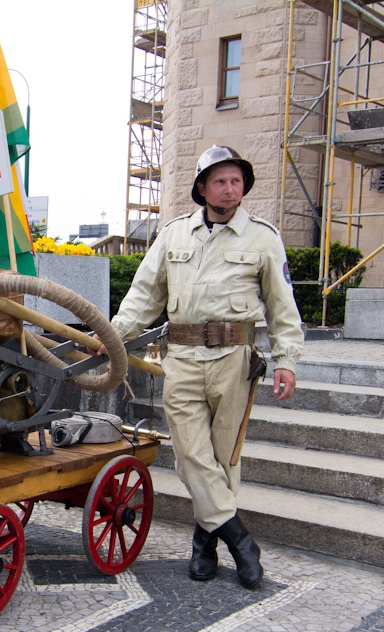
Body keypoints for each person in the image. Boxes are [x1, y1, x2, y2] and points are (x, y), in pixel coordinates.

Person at [109, 145, 304, 589]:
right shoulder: (174, 235)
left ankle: (204, 545)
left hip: (235, 360)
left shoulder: (263, 237)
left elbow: (282, 307)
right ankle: (240, 540)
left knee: (223, 457)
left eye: (236, 181)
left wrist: (286, 361)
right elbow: (144, 295)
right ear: (201, 188)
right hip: (181, 358)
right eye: (220, 181)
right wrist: (114, 334)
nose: (230, 189)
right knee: (191, 454)